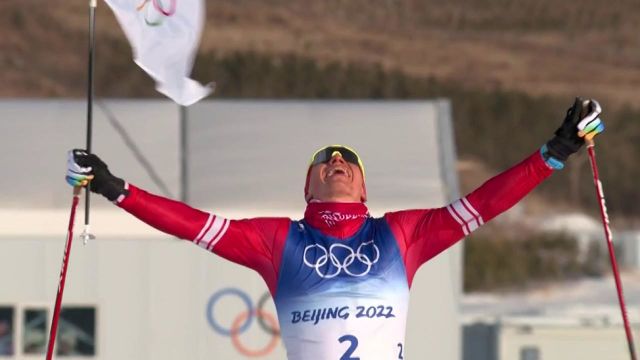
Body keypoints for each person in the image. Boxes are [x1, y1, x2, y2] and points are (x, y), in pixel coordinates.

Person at [66, 98, 604, 359]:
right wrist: (116, 187)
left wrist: (553, 153)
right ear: (308, 186)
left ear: (365, 189)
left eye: (349, 159)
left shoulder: (401, 234)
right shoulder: (277, 241)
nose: (338, 160)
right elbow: (193, 225)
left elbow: (484, 204)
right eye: (325, 158)